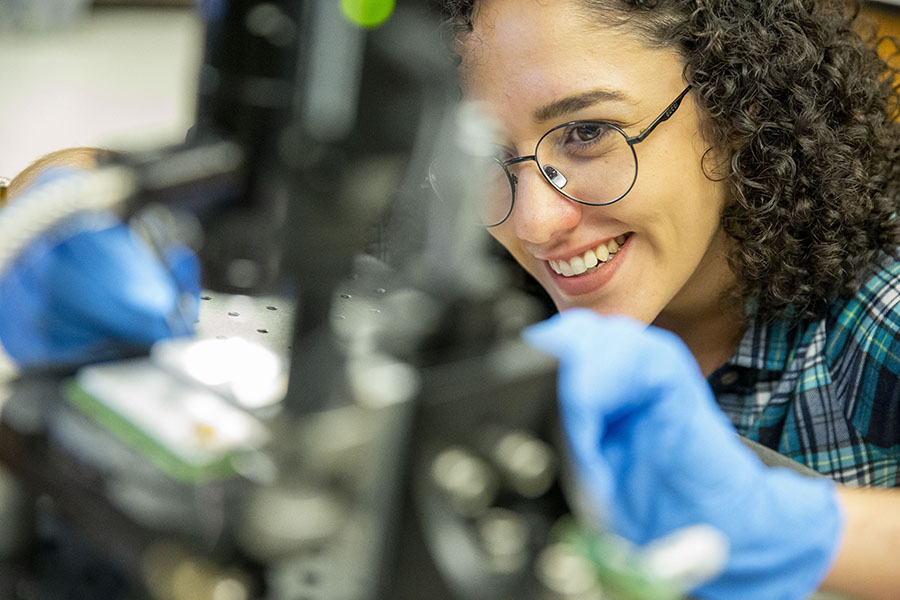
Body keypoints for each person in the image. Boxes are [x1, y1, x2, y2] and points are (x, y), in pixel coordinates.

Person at [436, 0, 900, 598]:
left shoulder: (881, 314)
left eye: (588, 133)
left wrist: (800, 530)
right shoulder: (473, 305)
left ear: (739, 106)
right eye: (492, 156)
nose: (533, 223)